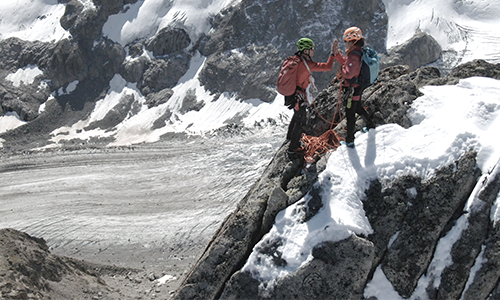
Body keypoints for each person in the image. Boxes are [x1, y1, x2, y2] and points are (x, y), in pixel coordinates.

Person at [286, 37, 336, 157]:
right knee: (301, 120)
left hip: (292, 94)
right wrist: (333, 53)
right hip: (299, 96)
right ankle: (293, 148)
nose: (313, 50)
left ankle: (289, 138)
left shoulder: (295, 60)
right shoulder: (306, 63)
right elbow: (327, 67)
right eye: (311, 49)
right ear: (306, 50)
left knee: (296, 116)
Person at [332, 27, 376, 148]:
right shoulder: (357, 52)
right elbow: (347, 63)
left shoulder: (353, 56)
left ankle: (350, 140)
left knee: (350, 113)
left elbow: (348, 73)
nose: (345, 43)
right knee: (358, 107)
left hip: (352, 89)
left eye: (346, 41)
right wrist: (337, 54)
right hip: (357, 87)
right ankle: (371, 125)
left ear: (351, 41)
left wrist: (342, 71)